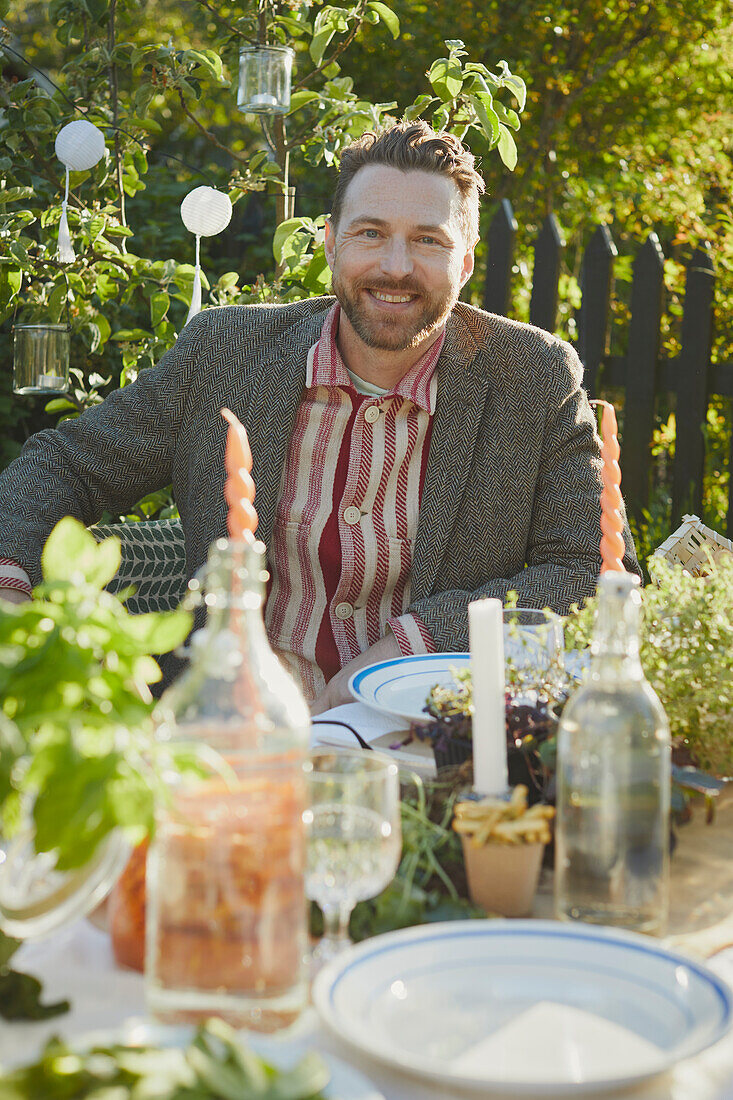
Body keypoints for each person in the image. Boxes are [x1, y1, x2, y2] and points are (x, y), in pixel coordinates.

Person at [0, 120, 639, 712]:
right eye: (370, 233)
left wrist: (414, 643)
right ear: (331, 243)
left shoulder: (531, 377)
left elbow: (593, 573)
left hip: (428, 735)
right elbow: (68, 463)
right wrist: (10, 582)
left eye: (428, 241)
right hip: (228, 726)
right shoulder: (225, 353)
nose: (395, 266)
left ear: (465, 263)